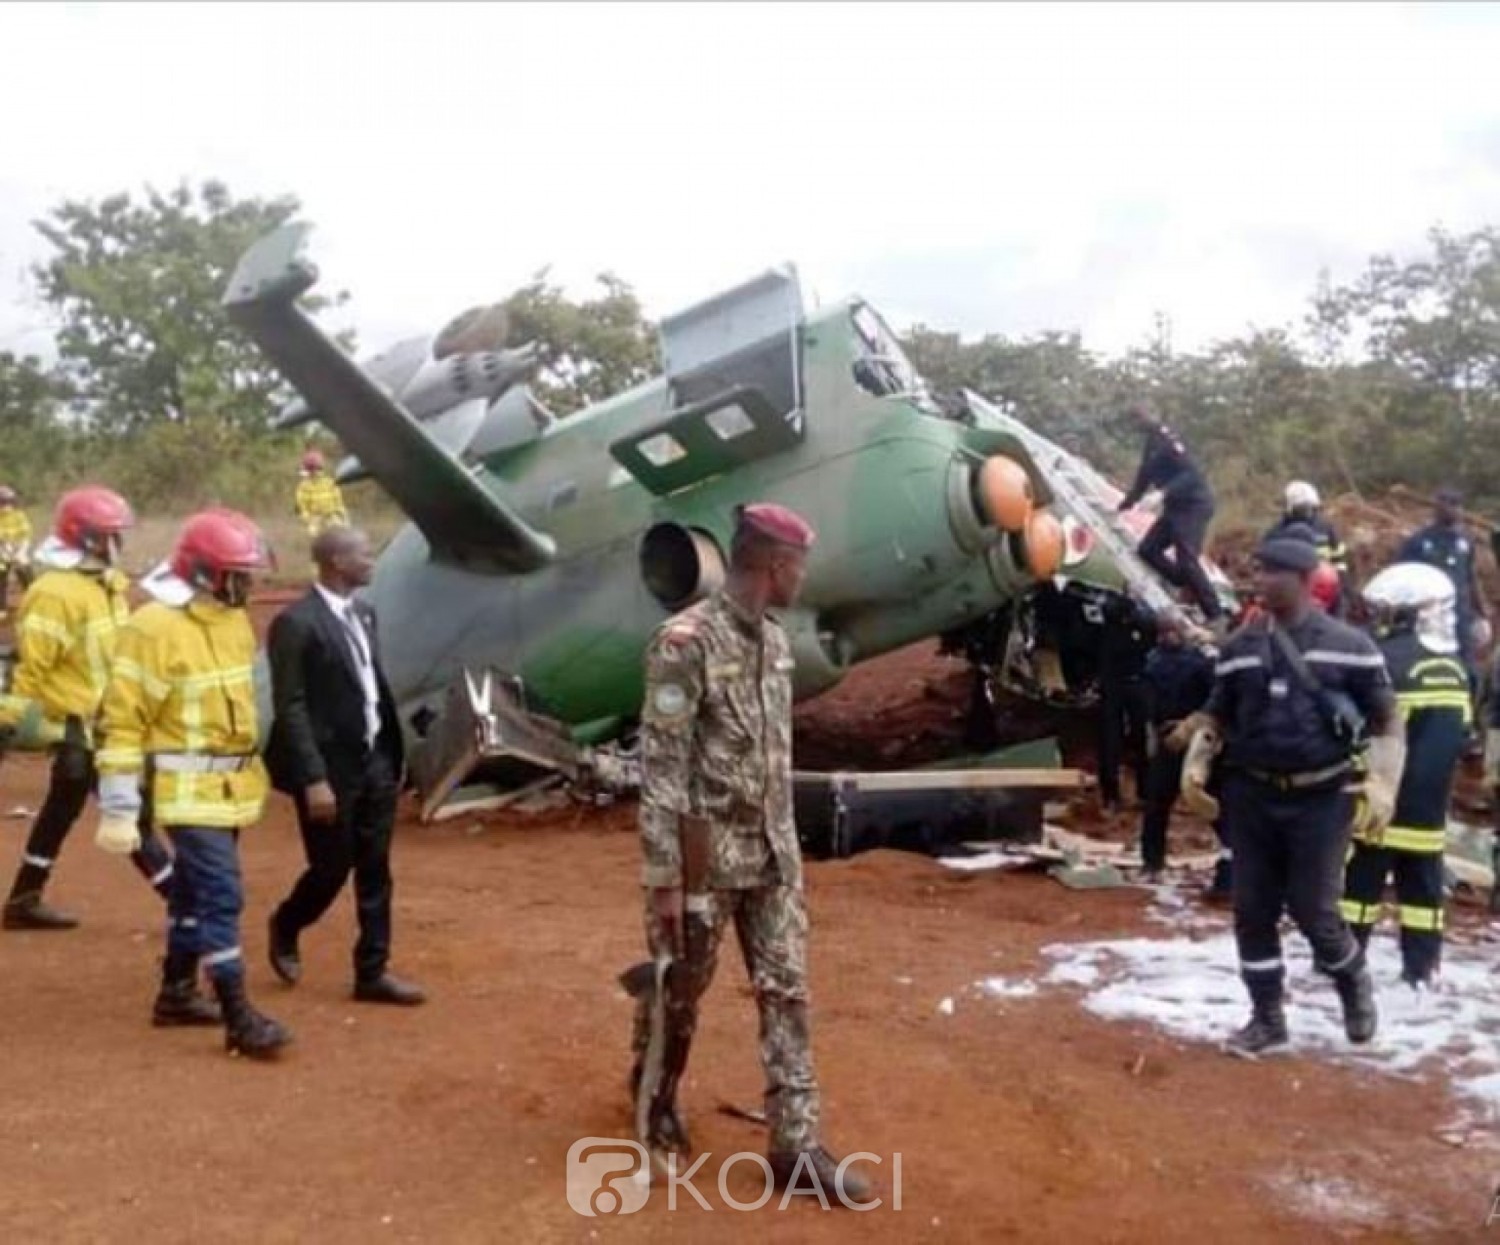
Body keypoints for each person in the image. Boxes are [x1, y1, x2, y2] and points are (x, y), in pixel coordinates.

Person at [622, 502, 868, 1202]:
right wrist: (664, 878)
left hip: (771, 856)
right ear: (773, 563)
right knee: (681, 992)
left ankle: (796, 1144)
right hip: (702, 861)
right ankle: (656, 1089)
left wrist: (790, 851)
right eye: (800, 566)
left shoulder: (776, 640)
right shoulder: (684, 642)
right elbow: (662, 766)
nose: (803, 578)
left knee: (787, 990)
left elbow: (770, 752)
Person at [1181, 530, 1402, 1057]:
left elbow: (1387, 717)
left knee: (1316, 913)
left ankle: (1353, 982)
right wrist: (1198, 751)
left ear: (1304, 580)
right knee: (1252, 910)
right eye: (1255, 570)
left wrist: (1383, 779)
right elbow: (1219, 709)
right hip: (1252, 796)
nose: (1257, 579)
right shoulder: (1238, 648)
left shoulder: (1351, 647)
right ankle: (1266, 1019)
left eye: (1269, 571)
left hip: (1322, 800)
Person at [93, 509, 292, 1057]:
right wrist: (118, 799)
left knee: (188, 890)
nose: (249, 584)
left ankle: (176, 993)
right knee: (222, 895)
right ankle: (238, 1016)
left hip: (232, 787)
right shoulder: (152, 628)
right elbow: (122, 718)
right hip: (186, 793)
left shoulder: (230, 621)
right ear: (208, 573)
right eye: (239, 574)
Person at [0, 487, 178, 933]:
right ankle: (184, 901)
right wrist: (9, 724)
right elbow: (32, 668)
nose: (121, 542)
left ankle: (24, 896)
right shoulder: (55, 593)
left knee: (63, 806)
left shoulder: (104, 587)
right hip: (80, 727)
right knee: (127, 813)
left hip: (105, 720)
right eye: (114, 535)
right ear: (92, 540)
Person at [264, 526, 423, 1006]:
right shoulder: (296, 623)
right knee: (332, 867)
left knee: (376, 868)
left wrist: (393, 758)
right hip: (329, 768)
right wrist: (313, 778)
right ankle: (287, 922)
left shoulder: (365, 613)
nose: (372, 560)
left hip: (374, 759)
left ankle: (372, 972)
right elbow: (289, 705)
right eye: (364, 554)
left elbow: (370, 687)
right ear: (336, 561)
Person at [1342, 564, 1469, 988]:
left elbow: (1367, 728)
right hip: (1431, 804)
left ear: (1407, 612)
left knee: (1360, 887)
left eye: (1387, 610)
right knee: (1423, 892)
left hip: (1384, 797)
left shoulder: (1387, 660)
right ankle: (1420, 968)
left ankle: (1345, 961)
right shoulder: (1455, 667)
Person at [1116, 404, 1223, 623]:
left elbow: (1191, 474)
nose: (1138, 424)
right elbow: (1142, 480)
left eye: (1139, 418)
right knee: (1148, 549)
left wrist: (1163, 493)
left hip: (1194, 505)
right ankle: (1184, 581)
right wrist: (1123, 506)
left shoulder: (1168, 438)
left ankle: (1215, 614)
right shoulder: (1150, 446)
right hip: (1174, 509)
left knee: (1186, 557)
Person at [1137, 616, 1216, 879]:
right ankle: (1152, 861)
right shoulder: (1155, 661)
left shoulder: (1192, 662)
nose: (1170, 635)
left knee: (1204, 801)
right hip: (1177, 738)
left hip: (1189, 738)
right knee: (1160, 802)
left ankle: (1153, 863)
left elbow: (1214, 701)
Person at [1397, 488, 1490, 684]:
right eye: (1447, 504)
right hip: (1430, 614)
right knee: (1435, 663)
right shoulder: (1419, 542)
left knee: (1468, 668)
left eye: (1457, 505)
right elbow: (1403, 578)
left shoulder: (1465, 541)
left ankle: (1469, 709)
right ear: (1437, 507)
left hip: (1461, 615)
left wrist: (1482, 614)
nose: (1454, 510)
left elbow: (1470, 576)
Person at [1096, 593, 1154, 814]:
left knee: (1141, 739)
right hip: (1116, 685)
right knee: (1111, 741)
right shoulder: (1109, 626)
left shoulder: (1140, 623)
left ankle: (1144, 793)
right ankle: (1113, 795)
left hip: (1134, 684)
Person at [1266, 482, 1349, 613]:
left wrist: (1342, 582)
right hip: (1294, 588)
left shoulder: (1326, 528)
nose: (1307, 512)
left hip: (1327, 585)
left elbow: (1339, 558)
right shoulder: (1277, 532)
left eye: (1310, 508)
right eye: (1302, 508)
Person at [294, 450, 349, 538]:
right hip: (314, 517)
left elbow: (338, 501)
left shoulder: (330, 482)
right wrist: (307, 518)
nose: (315, 472)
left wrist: (342, 514)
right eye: (311, 469)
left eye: (317, 469)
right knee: (313, 534)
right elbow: (302, 505)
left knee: (339, 532)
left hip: (331, 515)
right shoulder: (303, 486)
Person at [0, 485, 34, 617]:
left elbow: (26, 534)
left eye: (8, 502)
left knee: (25, 570)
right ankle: (1, 607)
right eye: (2, 503)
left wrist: (21, 551)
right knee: (1, 574)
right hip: (2, 550)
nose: (5, 506)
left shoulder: (19, 516)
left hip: (19, 547)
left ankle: (33, 596)